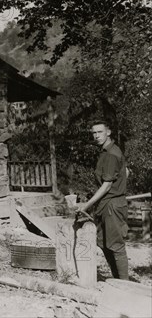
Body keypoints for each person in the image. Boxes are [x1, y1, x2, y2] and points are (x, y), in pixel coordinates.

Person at [78, 120, 129, 280]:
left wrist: (86, 205)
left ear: (108, 132)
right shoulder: (106, 152)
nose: (96, 136)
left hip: (112, 205)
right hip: (105, 204)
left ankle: (125, 286)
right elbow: (125, 171)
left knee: (116, 246)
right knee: (103, 243)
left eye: (100, 132)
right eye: (94, 133)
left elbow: (106, 186)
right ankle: (116, 279)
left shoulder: (112, 154)